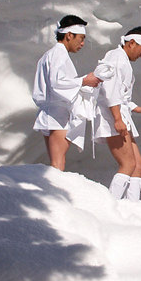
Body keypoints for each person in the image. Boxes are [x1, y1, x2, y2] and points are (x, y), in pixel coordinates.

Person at [93, 26, 141, 201]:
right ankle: (111, 206)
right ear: (132, 43)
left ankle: (133, 207)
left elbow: (123, 98)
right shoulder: (115, 58)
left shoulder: (122, 60)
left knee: (138, 165)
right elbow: (110, 90)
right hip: (112, 116)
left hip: (120, 115)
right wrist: (117, 119)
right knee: (128, 164)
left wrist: (139, 109)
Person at [32, 15, 102, 170]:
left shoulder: (52, 54)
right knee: (58, 164)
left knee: (57, 162)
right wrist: (84, 81)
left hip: (54, 112)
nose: (82, 43)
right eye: (81, 38)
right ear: (69, 35)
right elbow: (57, 83)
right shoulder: (58, 54)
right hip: (56, 114)